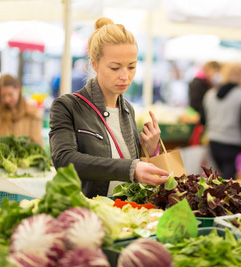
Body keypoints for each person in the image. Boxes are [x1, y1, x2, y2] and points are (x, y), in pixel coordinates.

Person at [49, 17, 169, 198]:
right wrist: (130, 168)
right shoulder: (67, 106)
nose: (125, 76)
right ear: (95, 64)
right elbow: (65, 160)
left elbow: (133, 168)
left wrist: (150, 150)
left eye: (132, 67)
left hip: (127, 211)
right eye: (115, 68)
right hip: (89, 212)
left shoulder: (127, 109)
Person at [201, 63, 241, 180]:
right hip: (234, 148)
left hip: (213, 144)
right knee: (231, 184)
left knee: (219, 180)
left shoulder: (209, 94)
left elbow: (203, 120)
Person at [0, 74, 43, 146]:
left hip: (27, 156)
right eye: (3, 96)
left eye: (10, 94)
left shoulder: (32, 113)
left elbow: (38, 144)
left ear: (18, 89)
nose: (7, 100)